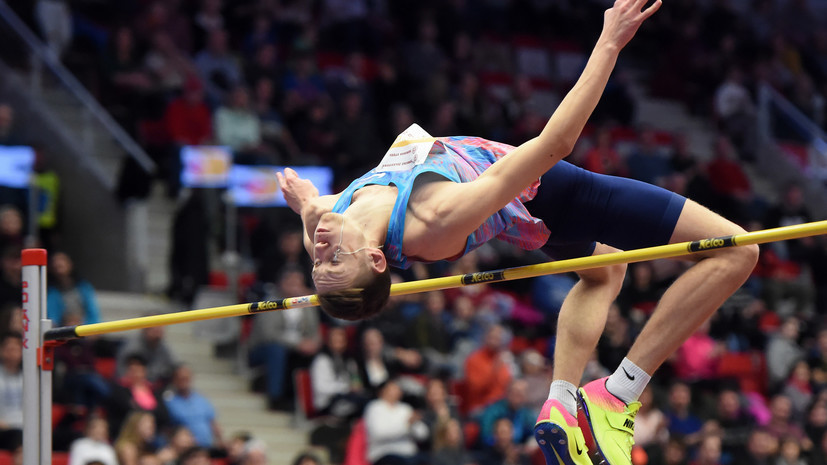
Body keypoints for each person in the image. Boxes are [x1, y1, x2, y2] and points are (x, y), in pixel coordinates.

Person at [277, 2, 759, 465]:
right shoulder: (436, 219)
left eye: (319, 266)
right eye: (334, 261)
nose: (321, 254)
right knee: (739, 252)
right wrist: (609, 43)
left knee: (606, 272)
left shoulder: (323, 218)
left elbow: (311, 217)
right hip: (557, 194)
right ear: (376, 260)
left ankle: (562, 403)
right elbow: (555, 143)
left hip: (530, 217)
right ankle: (619, 395)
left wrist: (301, 201)